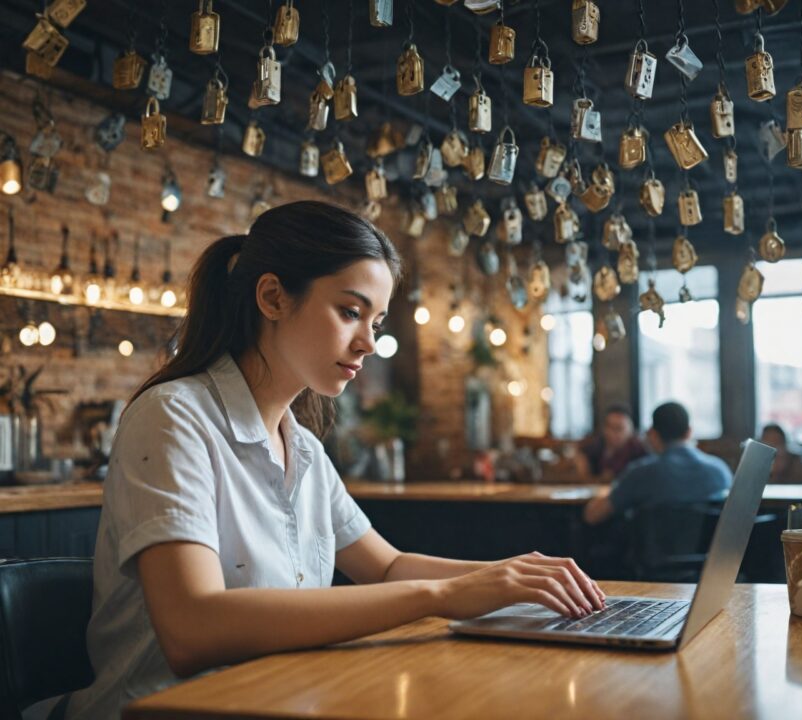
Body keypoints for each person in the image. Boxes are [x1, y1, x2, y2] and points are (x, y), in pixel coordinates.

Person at [64, 202, 605, 720]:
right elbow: (192, 628)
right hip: (162, 709)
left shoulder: (302, 448)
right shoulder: (174, 417)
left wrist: (514, 578)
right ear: (273, 297)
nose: (368, 341)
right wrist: (442, 595)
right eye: (351, 312)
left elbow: (386, 565)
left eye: (377, 321)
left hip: (283, 699)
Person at [582, 402, 732, 525]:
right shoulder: (720, 471)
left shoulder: (640, 473)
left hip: (649, 560)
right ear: (689, 432)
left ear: (652, 434)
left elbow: (592, 516)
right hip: (706, 559)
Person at [577, 405, 648, 483]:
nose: (613, 433)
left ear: (630, 430)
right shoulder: (596, 447)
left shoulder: (639, 452)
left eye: (619, 428)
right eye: (610, 427)